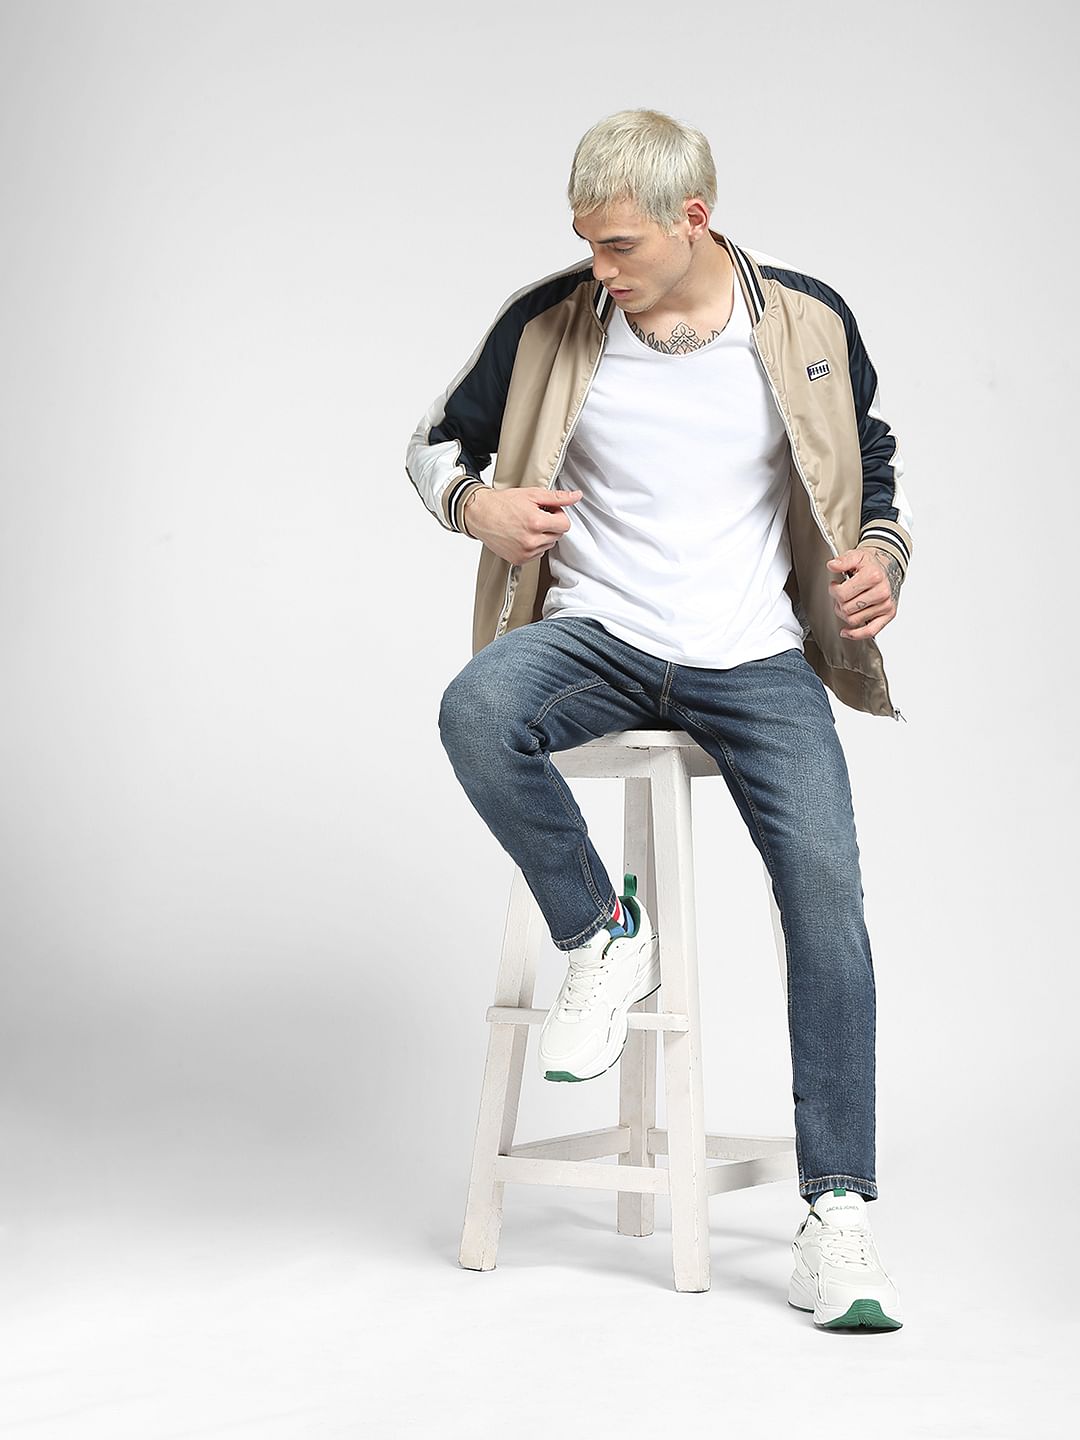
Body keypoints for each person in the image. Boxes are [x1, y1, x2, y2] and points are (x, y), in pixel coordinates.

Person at [406, 108, 912, 1332]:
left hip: (756, 658)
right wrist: (477, 507)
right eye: (586, 241)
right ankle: (602, 932)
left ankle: (837, 1218)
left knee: (828, 900)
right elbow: (431, 446)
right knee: (477, 708)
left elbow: (870, 454)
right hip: (600, 637)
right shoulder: (548, 322)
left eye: (620, 244)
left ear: (696, 219)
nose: (600, 267)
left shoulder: (805, 318)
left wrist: (883, 554)